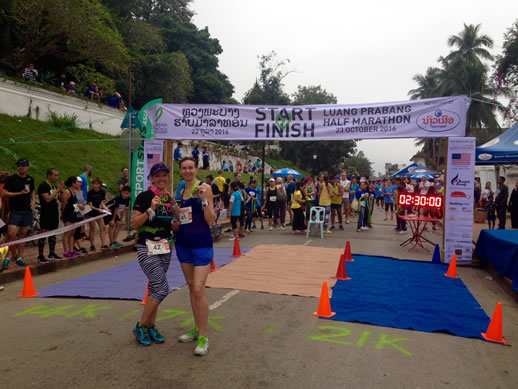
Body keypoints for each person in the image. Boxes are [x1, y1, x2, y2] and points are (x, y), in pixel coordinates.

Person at [131, 163, 176, 347]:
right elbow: (134, 223)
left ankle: (151, 325)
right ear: (151, 178)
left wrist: (179, 218)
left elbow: (171, 224)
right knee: (162, 288)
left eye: (164, 176)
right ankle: (140, 325)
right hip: (146, 246)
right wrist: (150, 209)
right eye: (157, 176)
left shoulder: (168, 198)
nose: (161, 179)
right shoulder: (144, 196)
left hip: (165, 247)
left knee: (154, 287)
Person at [173, 157, 215, 356]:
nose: (188, 171)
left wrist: (204, 201)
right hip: (183, 244)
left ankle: (204, 336)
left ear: (196, 169)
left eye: (191, 167)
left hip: (202, 244)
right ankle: (197, 328)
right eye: (184, 168)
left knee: (199, 288)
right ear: (180, 170)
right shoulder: (181, 189)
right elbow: (180, 218)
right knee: (191, 286)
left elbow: (211, 220)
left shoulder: (205, 188)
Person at [2, 159, 35, 268]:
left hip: (27, 210)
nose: (21, 167)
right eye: (19, 165)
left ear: (27, 167)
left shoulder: (30, 179)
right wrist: (18, 193)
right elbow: (4, 193)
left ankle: (20, 258)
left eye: (23, 165)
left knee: (23, 234)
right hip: (15, 210)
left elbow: (32, 191)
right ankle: (6, 257)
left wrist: (33, 201)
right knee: (11, 233)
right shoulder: (11, 179)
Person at [37, 168, 64, 263]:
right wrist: (57, 190)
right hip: (46, 212)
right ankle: (40, 255)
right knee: (44, 232)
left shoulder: (54, 186)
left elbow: (61, 199)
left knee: (53, 232)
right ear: (49, 175)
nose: (56, 177)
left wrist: (60, 191)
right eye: (55, 175)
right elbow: (47, 199)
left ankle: (52, 252)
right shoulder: (43, 186)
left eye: (57, 175)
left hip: (54, 211)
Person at [60, 176, 83, 258]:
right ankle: (66, 251)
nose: (78, 184)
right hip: (68, 214)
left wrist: (79, 207)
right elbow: (63, 205)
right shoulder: (67, 192)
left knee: (72, 233)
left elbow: (74, 204)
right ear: (73, 183)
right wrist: (62, 215)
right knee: (67, 233)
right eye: (77, 182)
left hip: (73, 213)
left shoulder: (73, 191)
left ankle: (71, 250)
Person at [87, 178, 110, 251]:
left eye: (97, 184)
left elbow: (102, 203)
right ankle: (92, 245)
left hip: (98, 211)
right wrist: (98, 209)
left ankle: (103, 244)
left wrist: (106, 209)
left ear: (100, 185)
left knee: (103, 228)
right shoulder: (90, 193)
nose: (95, 185)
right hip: (91, 211)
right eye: (94, 184)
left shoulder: (102, 192)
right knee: (92, 228)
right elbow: (90, 205)